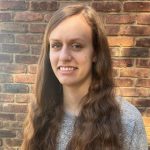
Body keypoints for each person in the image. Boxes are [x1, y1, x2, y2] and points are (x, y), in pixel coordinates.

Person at [21, 4, 148, 150]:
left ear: (96, 53)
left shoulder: (127, 122)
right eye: (56, 45)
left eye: (76, 46)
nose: (64, 57)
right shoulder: (40, 113)